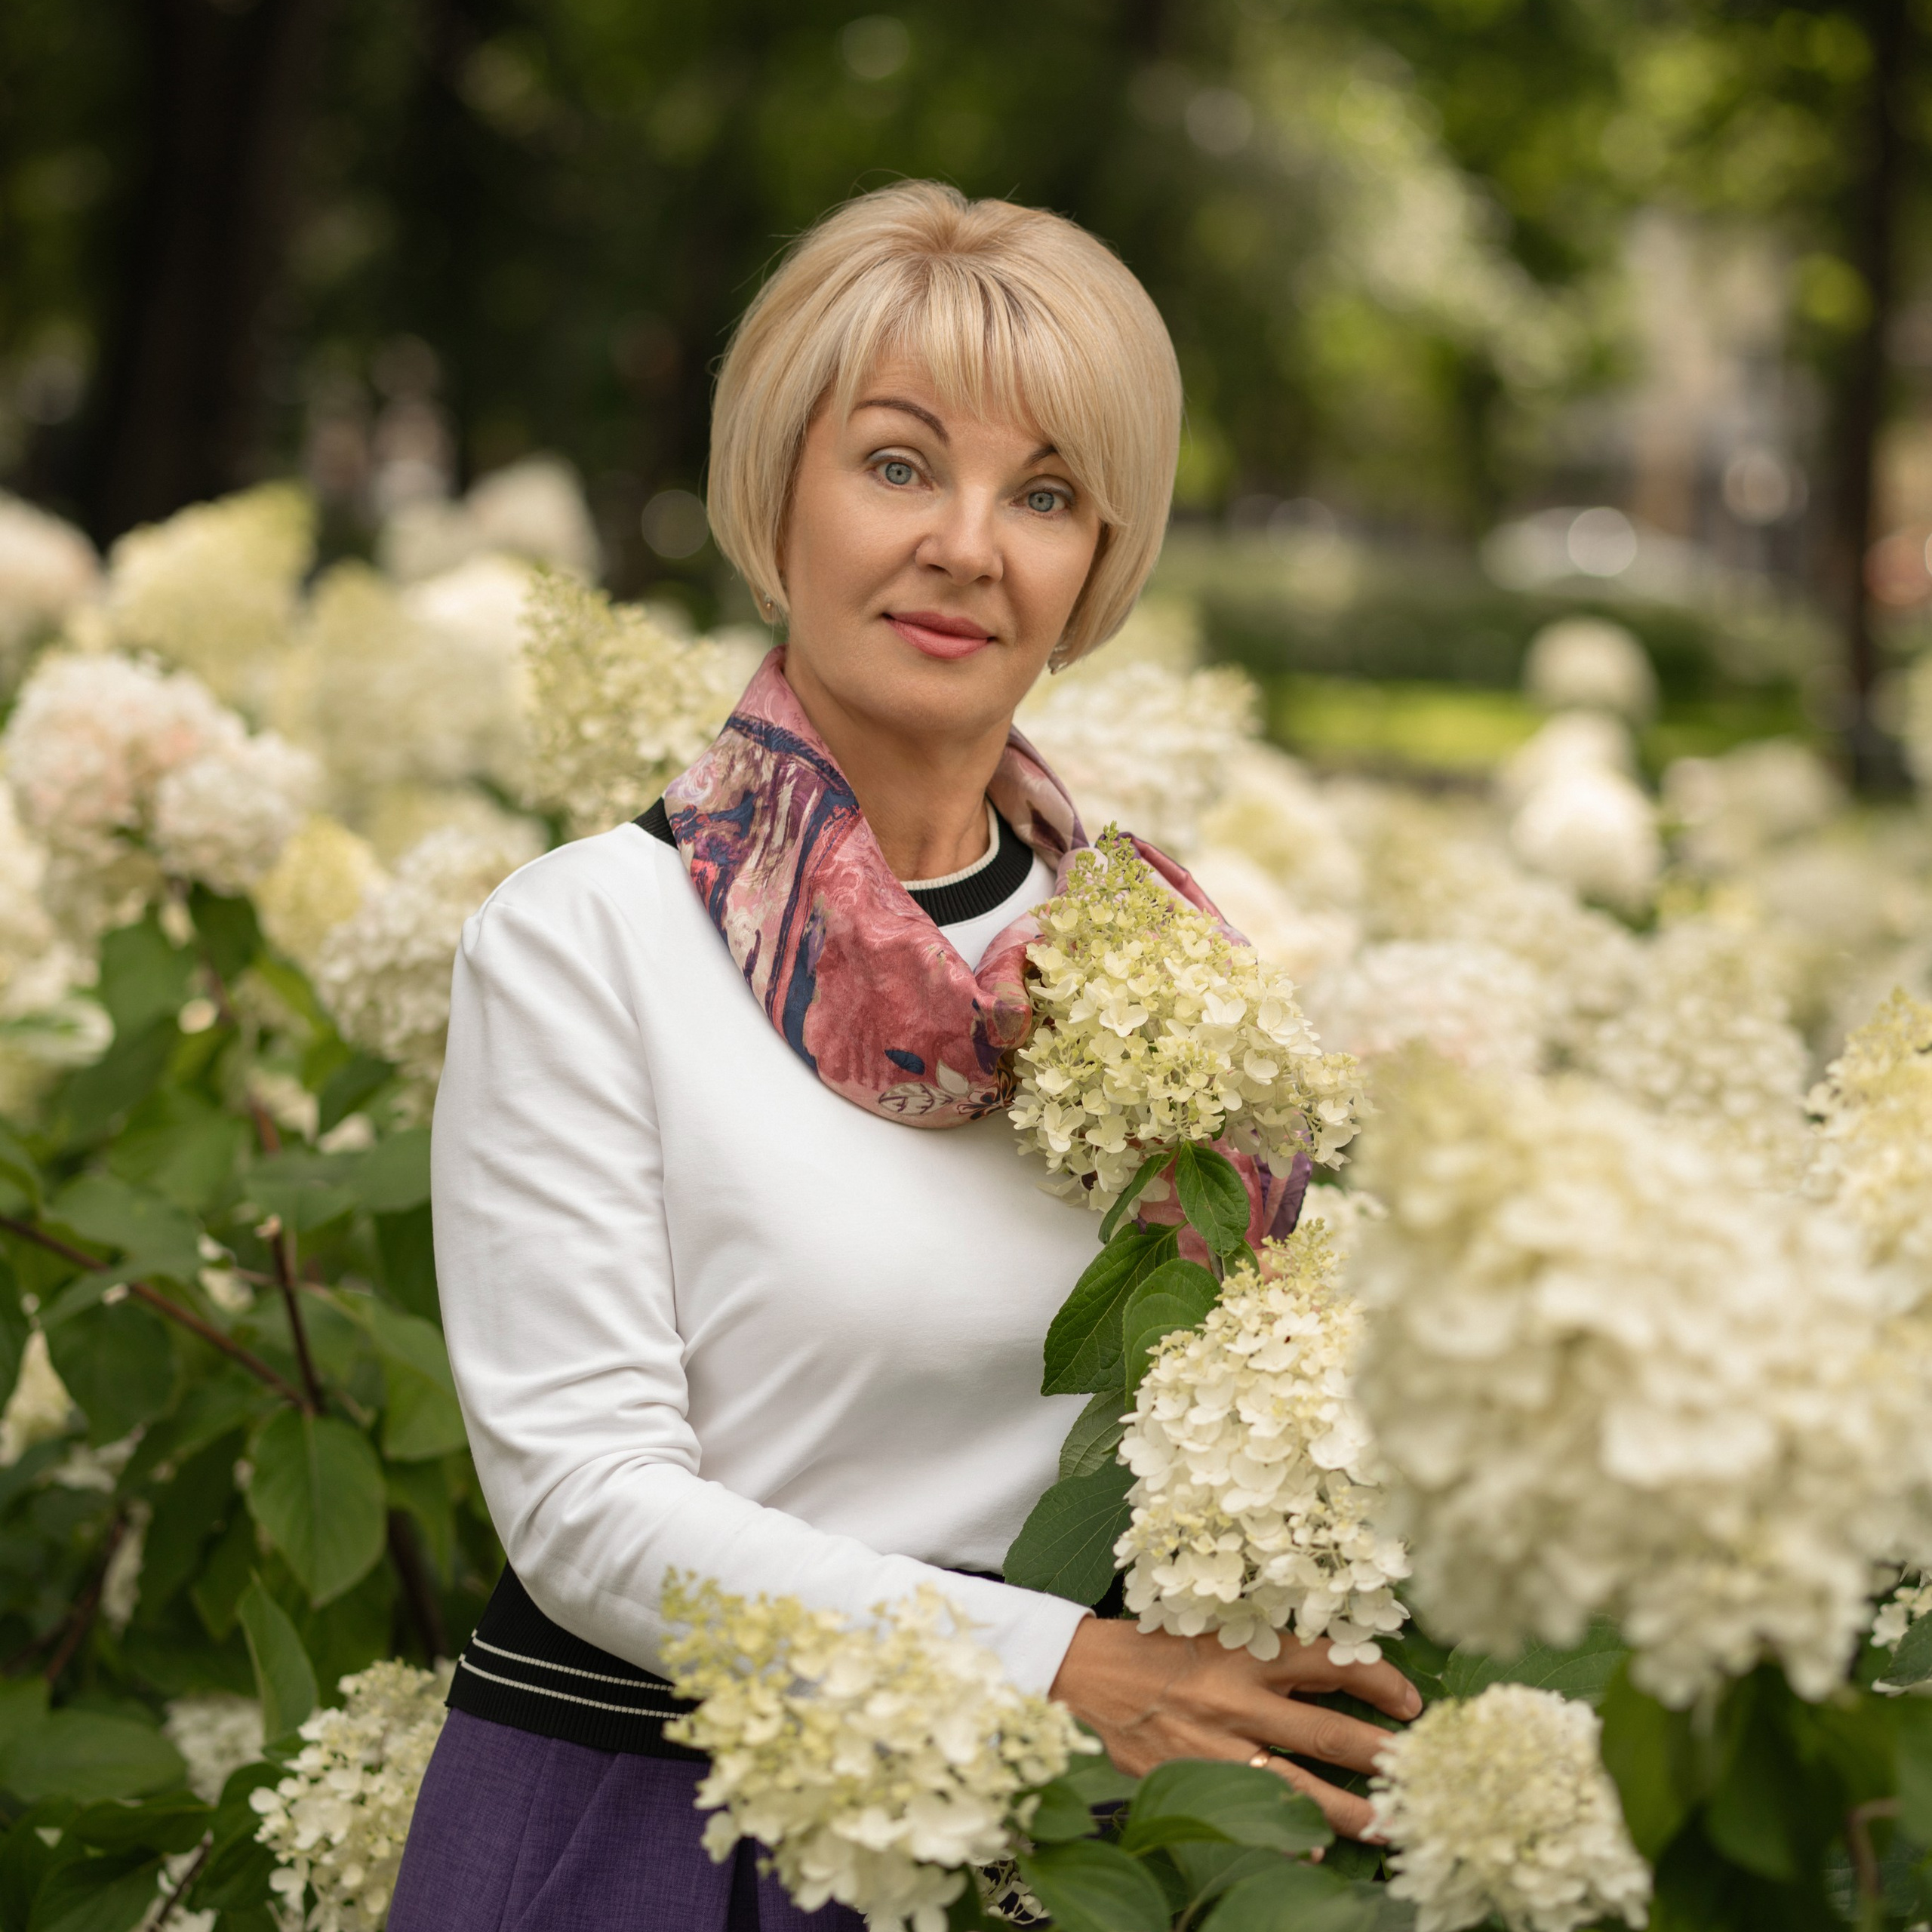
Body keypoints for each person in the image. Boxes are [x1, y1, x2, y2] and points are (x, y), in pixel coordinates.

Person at [389, 180, 1418, 1931]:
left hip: (1088, 1848)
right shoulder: (585, 939)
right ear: (775, 485)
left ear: (1098, 558)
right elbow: (583, 1506)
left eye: (1043, 493)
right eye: (895, 464)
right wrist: (1059, 1666)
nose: (965, 543)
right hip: (667, 1829)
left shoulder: (1166, 968)